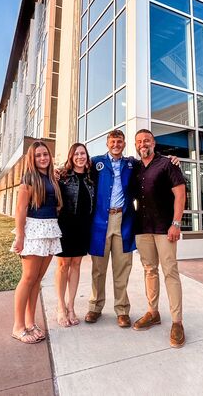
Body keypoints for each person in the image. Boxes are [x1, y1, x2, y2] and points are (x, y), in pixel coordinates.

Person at [132, 129, 186, 348]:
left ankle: (177, 322)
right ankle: (153, 312)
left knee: (170, 272)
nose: (143, 144)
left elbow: (180, 194)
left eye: (147, 140)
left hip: (165, 228)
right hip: (142, 228)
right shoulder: (134, 167)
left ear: (153, 142)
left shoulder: (168, 164)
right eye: (139, 141)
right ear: (136, 146)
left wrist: (176, 223)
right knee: (149, 270)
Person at [10, 141, 63, 344]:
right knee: (28, 278)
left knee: (37, 280)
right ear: (32, 158)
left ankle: (30, 323)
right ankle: (18, 326)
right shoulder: (29, 178)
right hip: (34, 229)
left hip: (50, 228)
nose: (43, 158)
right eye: (38, 155)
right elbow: (21, 209)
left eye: (45, 154)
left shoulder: (51, 177)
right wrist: (20, 236)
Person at [85, 129, 136, 328]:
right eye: (113, 142)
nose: (116, 145)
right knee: (98, 269)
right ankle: (95, 307)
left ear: (124, 144)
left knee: (122, 268)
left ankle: (122, 310)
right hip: (100, 221)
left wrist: (172, 159)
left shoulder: (131, 164)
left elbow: (152, 163)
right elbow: (76, 168)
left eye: (120, 141)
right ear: (107, 144)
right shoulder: (96, 163)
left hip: (123, 220)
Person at [55, 143, 95, 327]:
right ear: (71, 157)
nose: (80, 156)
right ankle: (60, 307)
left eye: (83, 153)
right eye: (77, 154)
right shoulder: (62, 176)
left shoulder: (91, 177)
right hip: (65, 226)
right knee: (63, 265)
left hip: (83, 226)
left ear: (87, 156)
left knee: (77, 264)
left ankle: (71, 307)